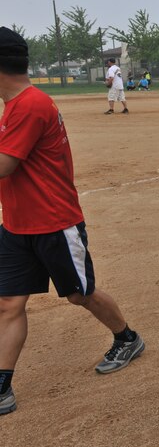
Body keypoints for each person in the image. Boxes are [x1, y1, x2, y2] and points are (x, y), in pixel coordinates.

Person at [0, 27, 145, 416]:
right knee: (9, 303)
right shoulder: (13, 105)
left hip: (53, 222)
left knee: (80, 294)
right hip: (16, 224)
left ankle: (126, 337)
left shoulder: (30, 104)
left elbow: (4, 165)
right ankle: (2, 386)